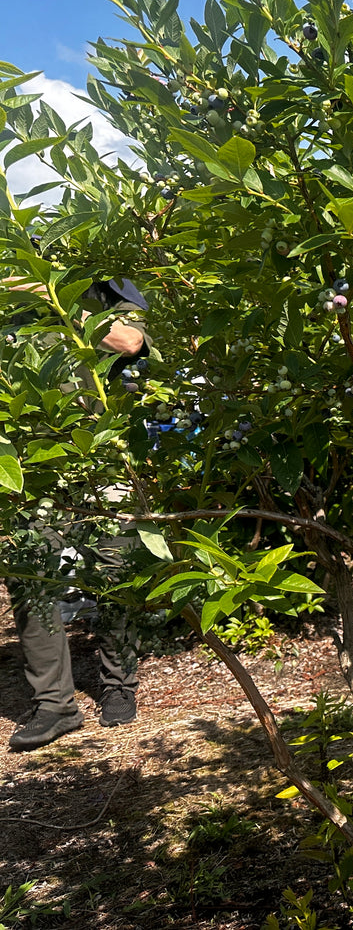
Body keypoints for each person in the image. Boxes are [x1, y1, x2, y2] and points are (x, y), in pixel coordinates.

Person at [6, 278, 150, 751]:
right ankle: (55, 706)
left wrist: (53, 299)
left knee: (117, 573)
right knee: (29, 577)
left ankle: (119, 686)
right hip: (33, 467)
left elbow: (129, 341)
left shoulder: (107, 288)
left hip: (104, 452)